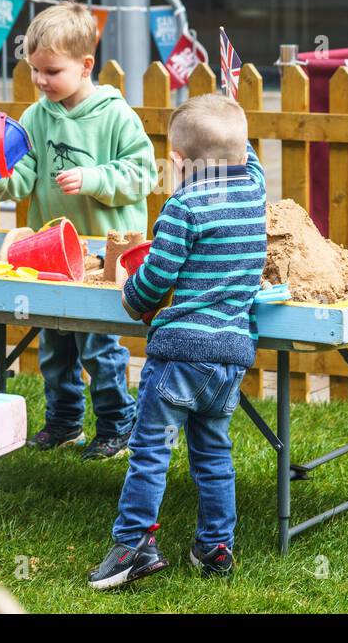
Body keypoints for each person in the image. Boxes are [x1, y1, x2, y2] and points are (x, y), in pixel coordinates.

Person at [88, 95, 267, 589]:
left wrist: (131, 296)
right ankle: (215, 546)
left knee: (151, 452)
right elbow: (246, 153)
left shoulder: (182, 206)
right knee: (213, 453)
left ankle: (133, 546)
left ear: (180, 163)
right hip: (229, 359)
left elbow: (156, 276)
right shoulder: (254, 188)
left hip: (180, 358)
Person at [0, 2, 156, 459]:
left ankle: (116, 425)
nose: (41, 81)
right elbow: (22, 176)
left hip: (102, 257)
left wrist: (94, 179)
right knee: (54, 343)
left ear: (86, 65)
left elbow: (143, 174)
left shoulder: (116, 116)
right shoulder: (36, 117)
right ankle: (64, 421)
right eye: (34, 71)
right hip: (50, 255)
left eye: (51, 71)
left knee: (99, 347)